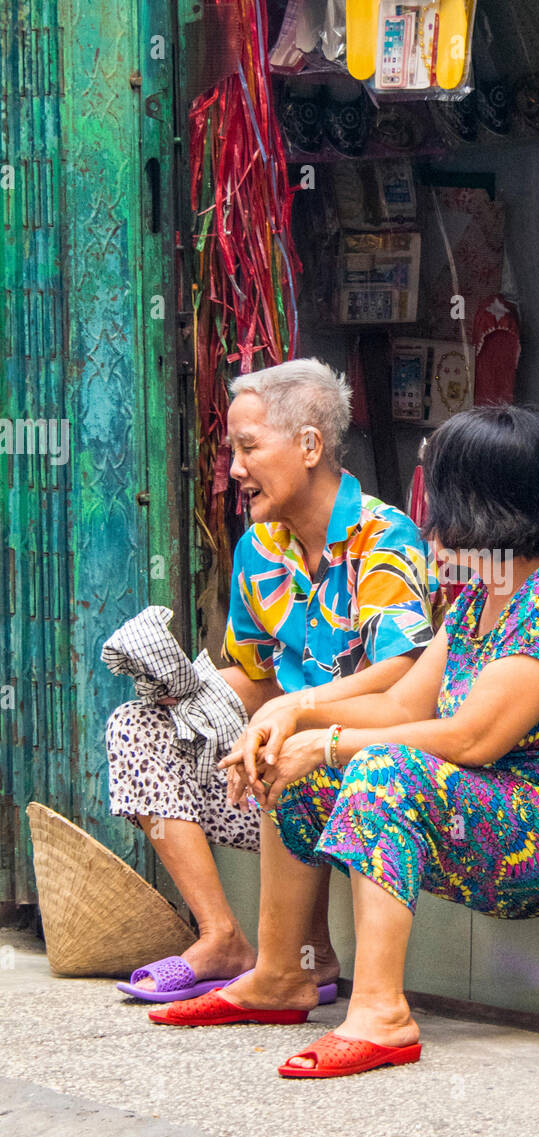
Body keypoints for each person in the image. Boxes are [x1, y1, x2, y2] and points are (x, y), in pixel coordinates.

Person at [149, 405, 539, 1081]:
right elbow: (403, 703)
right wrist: (296, 715)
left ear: (481, 495)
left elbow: (474, 737)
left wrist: (331, 744)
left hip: (538, 836)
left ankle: (382, 1014)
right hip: (476, 813)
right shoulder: (477, 596)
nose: (429, 502)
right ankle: (282, 975)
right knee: (293, 768)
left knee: (378, 766)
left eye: (439, 484)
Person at [106, 358, 440, 998]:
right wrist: (187, 695)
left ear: (310, 446)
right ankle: (222, 938)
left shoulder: (385, 538)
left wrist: (297, 711)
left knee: (286, 743)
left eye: (249, 447)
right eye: (235, 449)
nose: (235, 469)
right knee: (139, 723)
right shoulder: (258, 548)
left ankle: (309, 959)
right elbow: (257, 676)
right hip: (273, 761)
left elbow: (401, 670)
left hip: (364, 762)